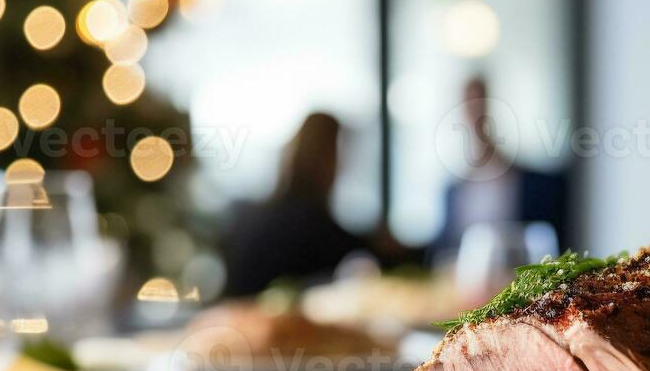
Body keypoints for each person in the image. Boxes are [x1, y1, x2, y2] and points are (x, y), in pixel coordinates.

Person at [223, 113, 405, 297]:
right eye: (337, 150)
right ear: (325, 155)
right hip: (267, 318)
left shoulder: (265, 211)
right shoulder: (305, 221)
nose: (342, 162)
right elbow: (343, 246)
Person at [435, 76, 569, 260]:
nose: (474, 113)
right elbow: (442, 251)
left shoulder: (537, 186)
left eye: (480, 104)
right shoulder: (454, 191)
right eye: (468, 105)